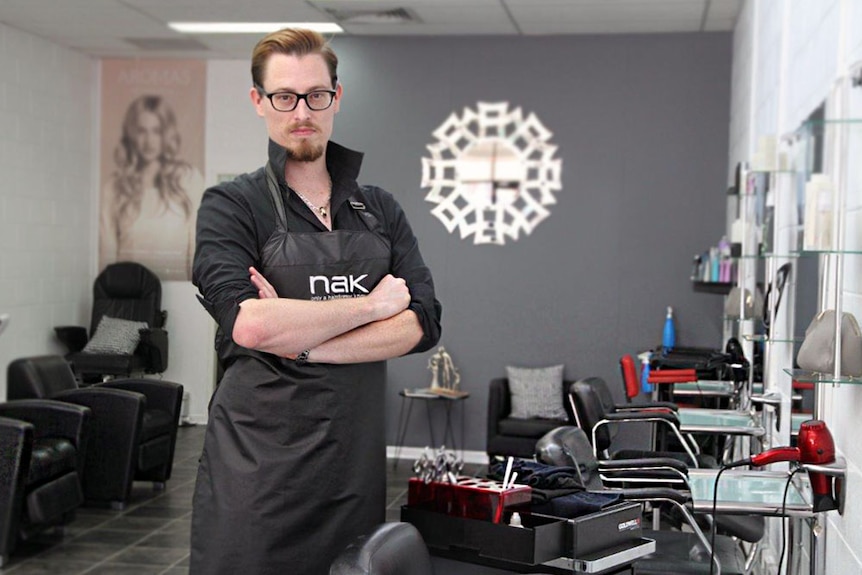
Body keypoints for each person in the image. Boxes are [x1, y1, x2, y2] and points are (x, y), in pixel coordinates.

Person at [190, 28, 442, 575]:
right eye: (284, 96)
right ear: (259, 101)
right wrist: (372, 307)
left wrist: (303, 342)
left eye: (316, 95)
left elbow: (423, 322)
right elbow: (250, 325)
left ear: (337, 97)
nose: (301, 111)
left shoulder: (379, 209)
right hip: (259, 475)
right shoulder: (230, 206)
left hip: (351, 470)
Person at [100, 94, 204, 281]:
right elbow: (108, 252)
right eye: (142, 131)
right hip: (128, 294)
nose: (149, 141)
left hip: (182, 291)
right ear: (132, 134)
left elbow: (196, 245)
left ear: (166, 135)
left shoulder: (189, 180)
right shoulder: (114, 188)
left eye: (156, 131)